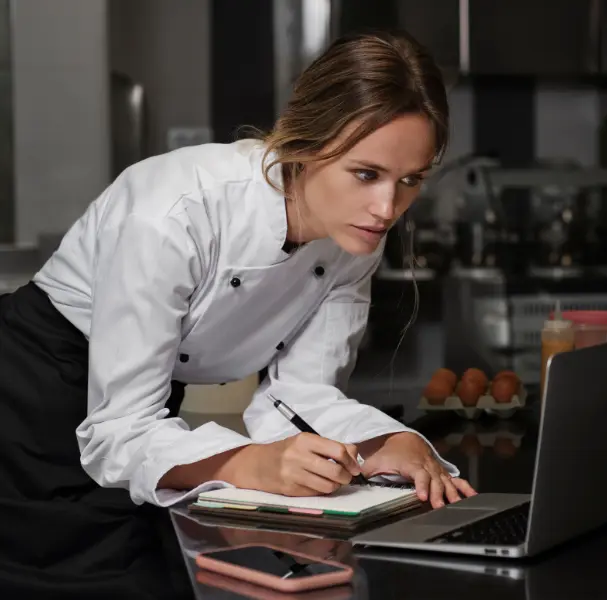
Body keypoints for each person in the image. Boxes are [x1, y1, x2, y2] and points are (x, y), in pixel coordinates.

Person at [0, 30, 476, 597]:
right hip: (26, 398)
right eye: (366, 174)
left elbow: (298, 395)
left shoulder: (355, 239)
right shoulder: (175, 211)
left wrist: (384, 445)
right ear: (308, 141)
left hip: (146, 415)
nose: (387, 209)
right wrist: (250, 464)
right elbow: (118, 432)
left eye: (410, 181)